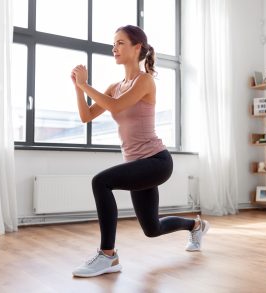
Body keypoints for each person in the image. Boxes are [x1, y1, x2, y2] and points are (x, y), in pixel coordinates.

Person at [70, 25, 209, 278]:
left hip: (156, 161)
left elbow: (115, 105)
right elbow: (86, 116)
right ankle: (196, 225)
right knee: (152, 228)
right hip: (139, 164)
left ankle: (108, 256)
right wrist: (79, 88)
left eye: (120, 43)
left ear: (137, 48)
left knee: (101, 182)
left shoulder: (144, 81)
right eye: (113, 44)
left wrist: (85, 84)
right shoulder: (115, 85)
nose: (114, 48)